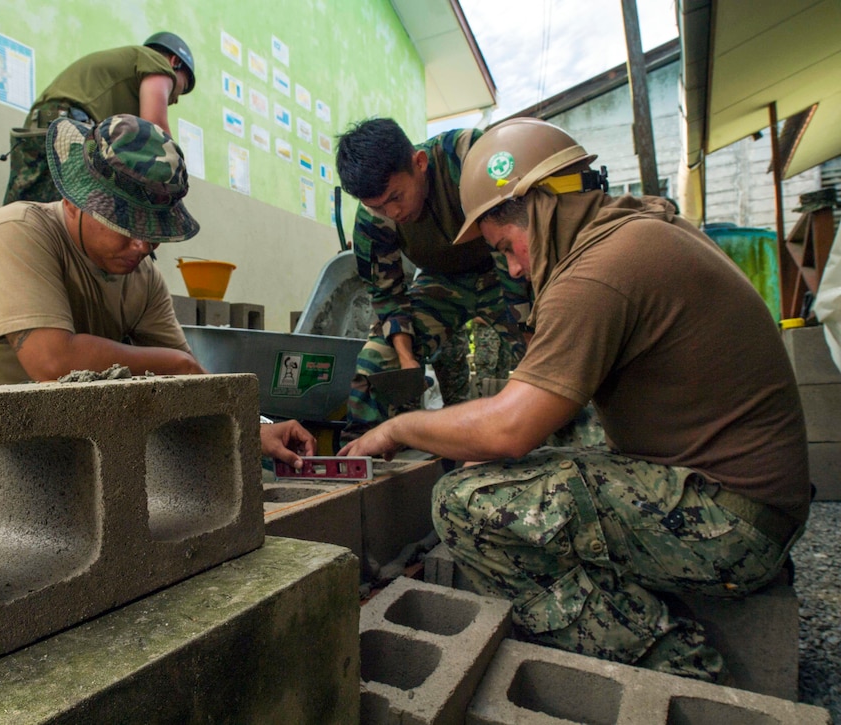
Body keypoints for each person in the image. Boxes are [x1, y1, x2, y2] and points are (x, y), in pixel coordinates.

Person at [341, 118, 811, 682]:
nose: (512, 270)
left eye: (507, 248)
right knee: (514, 475)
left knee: (462, 504)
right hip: (739, 495)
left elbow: (511, 429)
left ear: (536, 206)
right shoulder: (632, 228)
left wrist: (401, 428)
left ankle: (674, 665)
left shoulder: (595, 274)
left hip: (733, 525)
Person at [0, 114, 313, 494]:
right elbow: (52, 362)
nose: (144, 246)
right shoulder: (15, 233)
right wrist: (176, 364)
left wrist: (256, 428)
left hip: (68, 435)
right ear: (72, 203)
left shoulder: (142, 277)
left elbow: (190, 388)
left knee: (201, 458)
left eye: (153, 232)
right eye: (128, 227)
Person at [334, 118, 530, 441]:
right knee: (377, 361)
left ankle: (586, 453)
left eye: (396, 197)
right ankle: (363, 464)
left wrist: (531, 334)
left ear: (419, 164)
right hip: (443, 284)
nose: (393, 213)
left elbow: (521, 232)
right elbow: (387, 295)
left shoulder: (467, 157)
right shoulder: (374, 218)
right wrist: (407, 359)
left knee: (553, 354)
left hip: (506, 268)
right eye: (379, 206)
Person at [3, 32, 196, 204]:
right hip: (70, 133)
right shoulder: (156, 62)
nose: (176, 99)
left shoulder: (126, 74)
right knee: (63, 228)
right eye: (183, 86)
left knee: (24, 220)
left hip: (41, 127)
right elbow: (156, 136)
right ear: (174, 62)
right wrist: (177, 179)